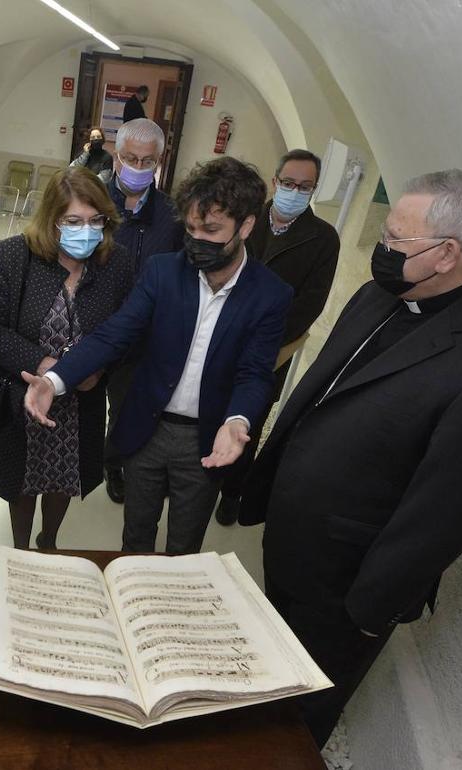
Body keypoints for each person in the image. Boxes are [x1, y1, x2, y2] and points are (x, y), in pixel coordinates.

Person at [243, 170, 462, 746]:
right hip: (292, 542)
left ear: (446, 255)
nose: (381, 250)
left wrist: (368, 609)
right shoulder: (384, 293)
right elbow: (324, 389)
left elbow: (448, 507)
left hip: (345, 585)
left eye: (395, 240)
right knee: (262, 681)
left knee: (296, 721)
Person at [24, 158, 291, 555]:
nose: (197, 239)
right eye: (191, 228)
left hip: (207, 438)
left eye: (212, 230)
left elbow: (254, 372)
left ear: (247, 226)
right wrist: (54, 379)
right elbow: (115, 334)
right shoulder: (163, 271)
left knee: (185, 546)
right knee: (135, 538)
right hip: (147, 427)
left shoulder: (271, 294)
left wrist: (238, 420)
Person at [0, 167, 133, 550]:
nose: (87, 230)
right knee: (22, 478)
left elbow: (128, 328)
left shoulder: (116, 262)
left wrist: (98, 369)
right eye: (74, 221)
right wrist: (47, 366)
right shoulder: (15, 255)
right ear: (52, 220)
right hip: (22, 397)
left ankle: (49, 540)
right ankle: (21, 546)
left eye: (96, 221)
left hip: (81, 402)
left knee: (65, 476)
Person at [214, 149, 339, 525]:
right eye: (288, 183)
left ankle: (232, 489)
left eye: (304, 186)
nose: (294, 191)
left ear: (313, 189)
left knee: (248, 417)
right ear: (274, 182)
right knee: (210, 409)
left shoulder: (323, 239)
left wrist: (263, 339)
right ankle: (198, 477)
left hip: (273, 350)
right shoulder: (244, 220)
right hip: (221, 335)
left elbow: (310, 303)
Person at [94, 118, 185, 504]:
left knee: (126, 404)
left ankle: (113, 464)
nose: (137, 166)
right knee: (81, 399)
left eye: (146, 161)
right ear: (116, 155)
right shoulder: (91, 199)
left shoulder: (172, 215)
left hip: (141, 333)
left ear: (159, 162)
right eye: (130, 157)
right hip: (91, 324)